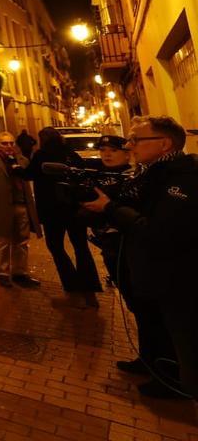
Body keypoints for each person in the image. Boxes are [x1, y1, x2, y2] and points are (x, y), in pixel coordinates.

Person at [83, 116, 198, 401]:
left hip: (177, 277)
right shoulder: (150, 174)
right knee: (158, 324)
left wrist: (111, 208)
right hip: (154, 273)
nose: (129, 145)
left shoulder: (180, 179)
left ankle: (177, 384)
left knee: (183, 338)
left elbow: (158, 231)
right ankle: (158, 367)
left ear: (164, 144)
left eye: (136, 139)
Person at [86, 135, 176, 385]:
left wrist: (111, 208)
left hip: (133, 249)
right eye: (103, 150)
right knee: (137, 308)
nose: (107, 154)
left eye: (113, 150)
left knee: (149, 309)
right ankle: (148, 358)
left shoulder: (139, 180)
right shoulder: (98, 178)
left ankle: (166, 371)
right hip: (112, 248)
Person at [29, 128, 102, 298]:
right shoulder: (71, 154)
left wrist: (16, 168)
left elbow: (29, 174)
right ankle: (90, 283)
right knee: (81, 246)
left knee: (55, 246)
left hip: (51, 210)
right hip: (74, 209)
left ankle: (70, 282)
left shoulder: (41, 155)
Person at [0, 131, 41, 287]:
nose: (9, 146)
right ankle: (2, 272)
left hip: (22, 205)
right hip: (2, 206)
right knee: (3, 240)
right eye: (4, 143)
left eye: (11, 143)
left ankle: (20, 272)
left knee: (22, 241)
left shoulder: (22, 160)